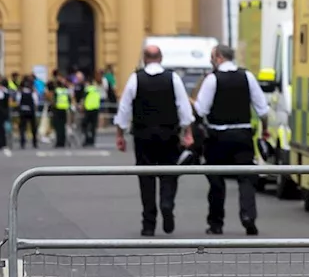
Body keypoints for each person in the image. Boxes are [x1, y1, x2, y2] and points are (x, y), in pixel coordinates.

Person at [115, 45, 195, 236]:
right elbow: (184, 107)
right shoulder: (173, 78)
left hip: (143, 135)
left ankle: (148, 223)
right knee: (169, 172)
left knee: (146, 177)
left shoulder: (136, 78)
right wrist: (188, 132)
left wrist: (120, 134)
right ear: (160, 58)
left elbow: (124, 108)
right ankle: (167, 203)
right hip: (168, 134)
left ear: (144, 58)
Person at [194, 44, 270, 236]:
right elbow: (262, 109)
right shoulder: (247, 77)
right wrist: (265, 129)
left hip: (218, 136)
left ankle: (216, 223)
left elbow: (201, 110)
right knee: (246, 178)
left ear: (219, 57)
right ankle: (248, 217)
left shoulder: (212, 79)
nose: (211, 61)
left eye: (212, 57)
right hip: (243, 134)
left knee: (216, 181)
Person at [15, 76, 39, 149]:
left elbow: (18, 102)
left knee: (22, 128)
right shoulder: (33, 93)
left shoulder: (20, 93)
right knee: (33, 128)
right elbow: (36, 102)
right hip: (31, 112)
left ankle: (22, 143)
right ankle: (34, 143)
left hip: (23, 112)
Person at [81, 74, 102, 146]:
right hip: (95, 109)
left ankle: (87, 139)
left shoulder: (87, 89)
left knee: (85, 125)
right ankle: (92, 140)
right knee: (93, 126)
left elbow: (84, 99)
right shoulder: (96, 89)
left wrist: (82, 107)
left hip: (88, 109)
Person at [50, 78, 71, 147]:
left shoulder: (56, 91)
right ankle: (63, 142)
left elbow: (53, 101)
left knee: (58, 127)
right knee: (63, 127)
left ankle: (59, 142)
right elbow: (69, 100)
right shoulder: (66, 91)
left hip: (57, 110)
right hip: (64, 110)